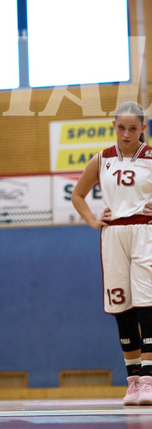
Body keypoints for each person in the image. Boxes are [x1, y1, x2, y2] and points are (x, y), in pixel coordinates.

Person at [71, 101, 152, 406]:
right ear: (114, 125)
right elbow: (78, 194)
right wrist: (93, 220)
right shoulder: (101, 159)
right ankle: (133, 380)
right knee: (122, 305)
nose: (127, 133)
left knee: (148, 303)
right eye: (122, 127)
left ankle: (149, 378)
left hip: (146, 232)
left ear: (143, 128)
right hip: (113, 234)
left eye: (134, 128)